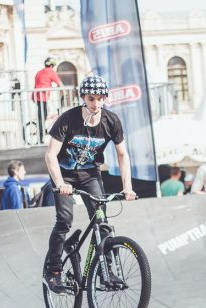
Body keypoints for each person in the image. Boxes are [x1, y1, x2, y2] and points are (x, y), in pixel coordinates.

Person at [43, 75, 136, 293]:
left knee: (102, 221)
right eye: (91, 98)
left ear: (105, 98)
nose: (95, 103)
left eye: (99, 99)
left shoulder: (111, 121)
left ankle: (107, 272)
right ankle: (53, 271)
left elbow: (123, 155)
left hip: (90, 175)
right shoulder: (67, 119)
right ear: (83, 97)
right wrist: (59, 183)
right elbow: (50, 156)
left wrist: (128, 186)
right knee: (64, 220)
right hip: (64, 175)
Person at [33, 57, 63, 143]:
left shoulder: (39, 72)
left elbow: (35, 85)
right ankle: (40, 137)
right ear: (52, 65)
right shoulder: (50, 72)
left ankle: (40, 136)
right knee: (43, 117)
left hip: (37, 97)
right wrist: (65, 92)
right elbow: (59, 83)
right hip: (44, 97)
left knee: (41, 117)